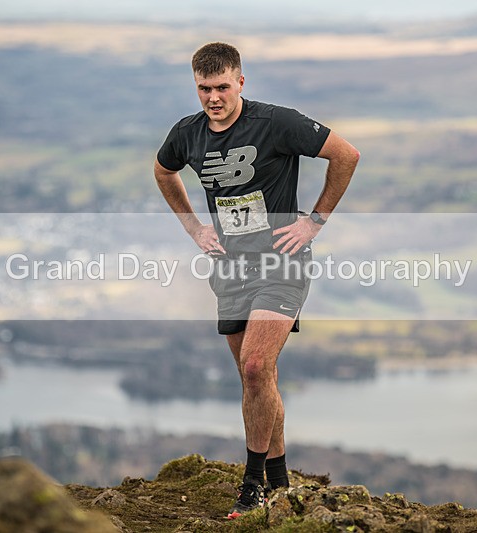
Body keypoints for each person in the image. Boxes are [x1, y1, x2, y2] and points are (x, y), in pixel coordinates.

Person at [154, 42, 359, 519]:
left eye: (222, 87)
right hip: (229, 268)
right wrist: (194, 228)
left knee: (253, 367)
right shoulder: (187, 134)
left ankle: (252, 485)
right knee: (258, 379)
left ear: (240, 82)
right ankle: (281, 480)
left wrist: (314, 220)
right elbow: (164, 171)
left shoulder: (276, 123)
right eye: (204, 89)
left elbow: (346, 155)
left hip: (280, 264)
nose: (213, 98)